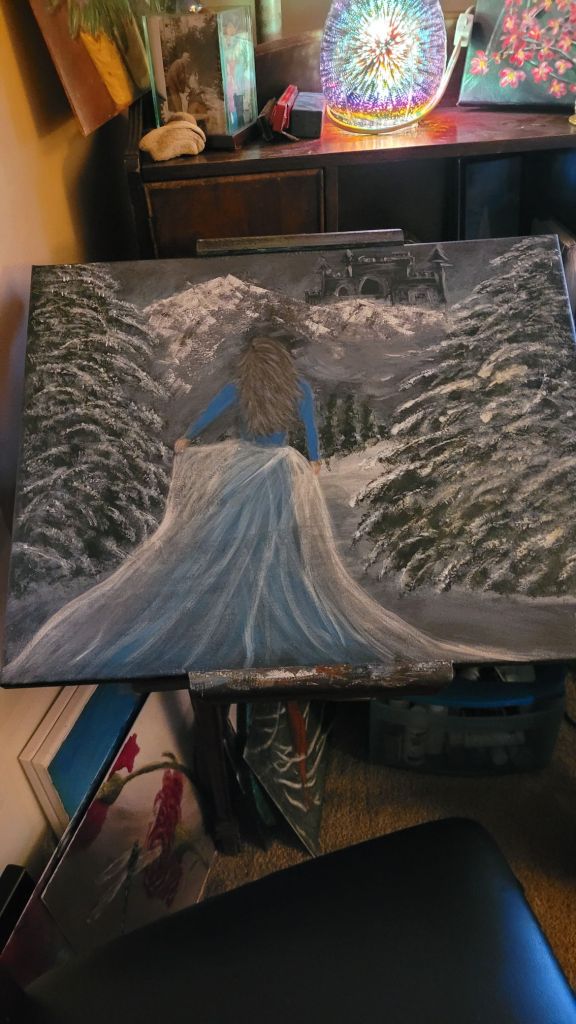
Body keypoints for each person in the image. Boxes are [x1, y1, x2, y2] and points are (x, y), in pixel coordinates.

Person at [3, 324, 517, 685]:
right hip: (278, 468)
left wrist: (187, 439)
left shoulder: (240, 387)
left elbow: (209, 416)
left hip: (243, 465)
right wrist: (313, 461)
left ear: (252, 363)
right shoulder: (299, 389)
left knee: (227, 534)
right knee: (279, 541)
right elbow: (309, 431)